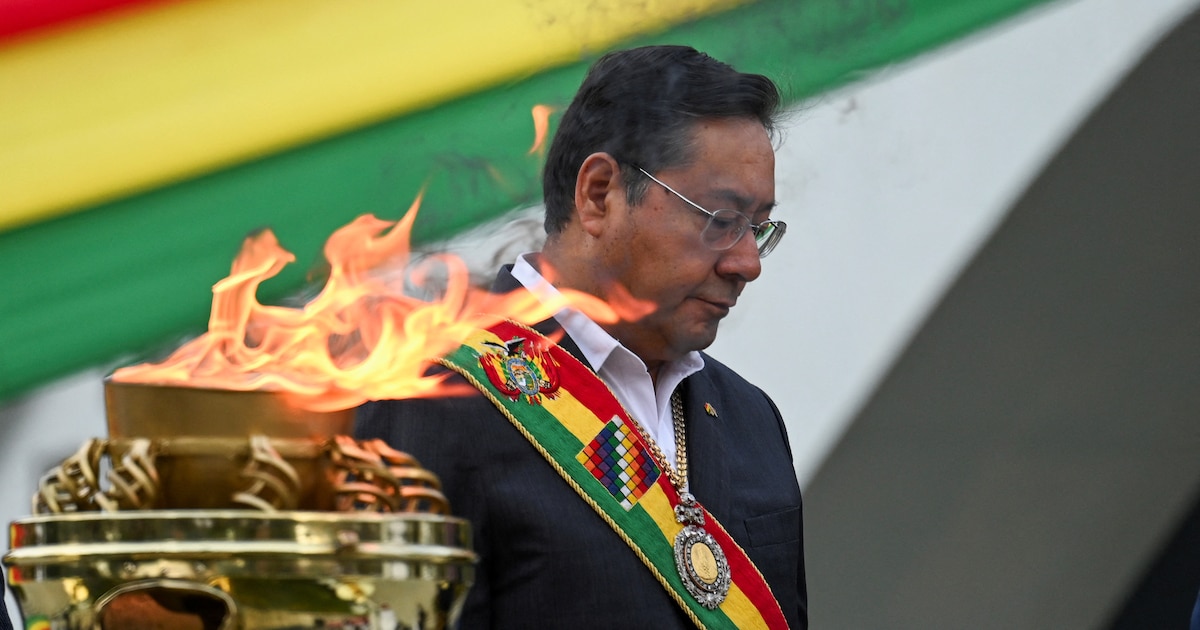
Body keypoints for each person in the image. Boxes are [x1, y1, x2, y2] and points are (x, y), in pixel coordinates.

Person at [357, 45, 806, 629]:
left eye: (758, 228)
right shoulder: (431, 399)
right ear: (599, 194)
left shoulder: (751, 418)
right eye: (721, 221)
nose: (748, 263)